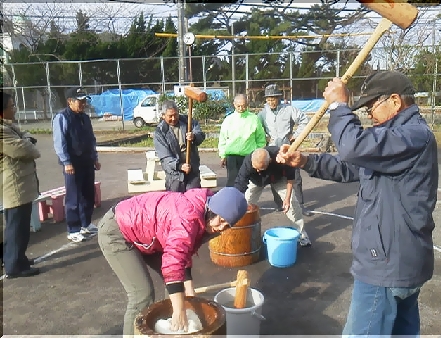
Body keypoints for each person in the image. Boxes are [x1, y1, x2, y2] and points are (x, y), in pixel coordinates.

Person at [276, 71, 438, 335]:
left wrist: (340, 106)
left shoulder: (412, 136)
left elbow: (353, 147)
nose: (370, 115)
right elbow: (349, 166)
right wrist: (305, 161)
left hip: (386, 263)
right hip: (401, 261)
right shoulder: (397, 138)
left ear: (395, 101)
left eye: (372, 106)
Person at [97, 187, 248, 336]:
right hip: (117, 231)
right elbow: (173, 262)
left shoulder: (207, 219)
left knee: (178, 287)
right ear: (212, 209)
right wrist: (180, 309)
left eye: (227, 226)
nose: (220, 228)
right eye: (221, 220)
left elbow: (184, 251)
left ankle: (170, 329)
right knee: (142, 294)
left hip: (149, 236)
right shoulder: (188, 217)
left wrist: (189, 291)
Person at [53, 87, 101, 243]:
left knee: (88, 194)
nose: (83, 104)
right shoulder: (62, 117)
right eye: (80, 101)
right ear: (70, 102)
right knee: (73, 197)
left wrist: (94, 157)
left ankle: (85, 224)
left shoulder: (84, 118)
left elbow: (91, 139)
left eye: (84, 100)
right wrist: (66, 162)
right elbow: (59, 142)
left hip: (87, 161)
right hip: (72, 163)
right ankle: (73, 229)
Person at [234, 147, 310, 246]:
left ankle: (301, 234)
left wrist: (287, 199)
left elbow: (291, 177)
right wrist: (235, 203)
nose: (257, 171)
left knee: (292, 203)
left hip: (278, 178)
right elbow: (240, 184)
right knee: (245, 204)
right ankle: (242, 234)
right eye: (255, 168)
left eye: (260, 168)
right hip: (256, 181)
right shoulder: (248, 162)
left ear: (269, 161)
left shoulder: (281, 156)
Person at [1, 92, 40, 278]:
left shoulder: (8, 126)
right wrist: (27, 142)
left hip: (21, 183)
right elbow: (22, 149)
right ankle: (13, 265)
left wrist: (26, 139)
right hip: (13, 185)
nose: (14, 109)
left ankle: (18, 258)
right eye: (11, 106)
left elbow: (27, 136)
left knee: (21, 226)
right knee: (16, 227)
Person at [258, 84, 312, 217]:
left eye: (274, 99)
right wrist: (265, 138)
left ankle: (300, 205)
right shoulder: (263, 113)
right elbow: (257, 128)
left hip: (288, 148)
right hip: (272, 150)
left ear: (279, 98)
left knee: (295, 178)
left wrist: (296, 136)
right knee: (274, 177)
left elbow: (305, 120)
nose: (271, 102)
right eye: (269, 99)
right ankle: (279, 204)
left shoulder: (288, 109)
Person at [154, 100, 205, 192]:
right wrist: (180, 166)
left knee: (193, 199)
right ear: (163, 115)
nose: (173, 118)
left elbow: (200, 134)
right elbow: (165, 157)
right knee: (175, 201)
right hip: (174, 174)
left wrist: (194, 136)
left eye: (175, 115)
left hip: (192, 169)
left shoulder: (188, 122)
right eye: (170, 116)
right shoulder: (160, 132)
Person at [218, 94, 266, 186]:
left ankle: (246, 200)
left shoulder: (254, 118)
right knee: (232, 182)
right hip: (232, 156)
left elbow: (260, 138)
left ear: (247, 104)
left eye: (243, 106)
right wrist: (222, 155)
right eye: (238, 106)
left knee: (248, 183)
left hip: (249, 155)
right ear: (234, 104)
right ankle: (232, 200)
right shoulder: (228, 120)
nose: (241, 108)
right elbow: (223, 138)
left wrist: (258, 153)